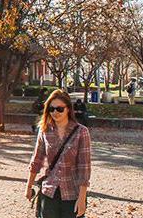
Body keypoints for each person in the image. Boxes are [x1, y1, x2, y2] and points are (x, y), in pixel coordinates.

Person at [25, 89, 91, 218]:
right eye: (52, 109)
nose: (55, 112)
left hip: (72, 193)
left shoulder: (81, 132)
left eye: (60, 109)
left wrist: (82, 199)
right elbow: (36, 160)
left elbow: (84, 168)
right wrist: (28, 186)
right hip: (49, 192)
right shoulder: (44, 130)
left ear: (68, 109)